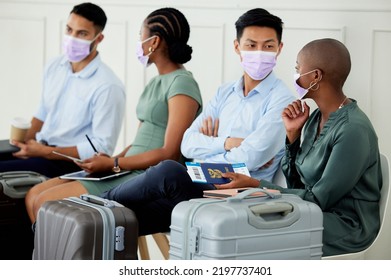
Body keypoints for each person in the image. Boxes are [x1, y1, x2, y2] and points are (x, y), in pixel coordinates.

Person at [100, 8, 295, 236]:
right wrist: (227, 142)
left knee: (168, 172)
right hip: (203, 186)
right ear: (237, 47)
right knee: (120, 220)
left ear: (279, 49)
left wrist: (207, 153)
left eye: (268, 46)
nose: (260, 53)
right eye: (251, 45)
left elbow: (251, 157)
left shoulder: (282, 100)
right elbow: (188, 143)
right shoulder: (225, 93)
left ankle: (100, 202)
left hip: (240, 195)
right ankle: (97, 217)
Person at [25, 7, 203, 224]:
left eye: (141, 36)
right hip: (128, 169)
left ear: (154, 42)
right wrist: (109, 161)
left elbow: (170, 153)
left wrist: (115, 163)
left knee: (46, 201)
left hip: (146, 176)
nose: (139, 42)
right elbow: (140, 142)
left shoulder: (182, 83)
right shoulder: (156, 81)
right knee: (34, 195)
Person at [216, 38, 382, 257]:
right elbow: (298, 186)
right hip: (313, 212)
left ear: (315, 76)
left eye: (297, 69)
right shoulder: (314, 119)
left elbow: (318, 200)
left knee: (256, 234)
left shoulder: (353, 130)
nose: (294, 75)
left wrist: (256, 185)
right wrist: (292, 136)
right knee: (244, 221)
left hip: (345, 224)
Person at [0, 3, 126, 178]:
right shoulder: (54, 66)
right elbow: (42, 113)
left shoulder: (108, 86)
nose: (72, 37)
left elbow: (101, 147)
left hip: (69, 164)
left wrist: (45, 152)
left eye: (82, 33)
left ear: (99, 38)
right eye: (69, 30)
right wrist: (21, 144)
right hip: (40, 149)